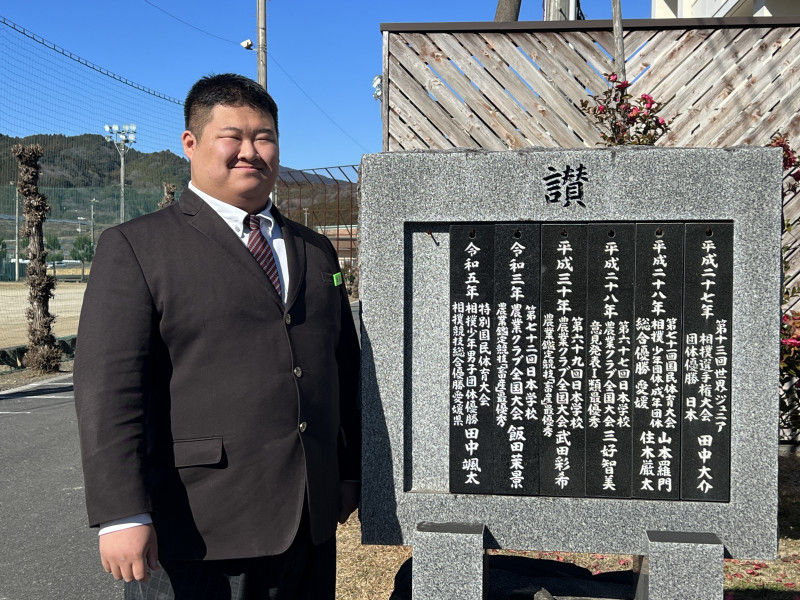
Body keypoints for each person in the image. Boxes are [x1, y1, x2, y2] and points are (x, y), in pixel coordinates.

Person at [74, 73, 361, 599]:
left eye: (265, 137)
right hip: (199, 523)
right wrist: (121, 513)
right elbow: (110, 390)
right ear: (191, 143)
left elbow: (340, 365)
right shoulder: (137, 247)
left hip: (309, 517)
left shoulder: (314, 250)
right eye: (234, 136)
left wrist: (347, 472)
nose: (251, 151)